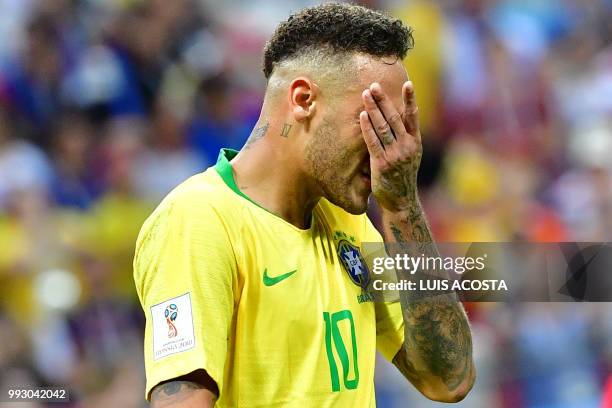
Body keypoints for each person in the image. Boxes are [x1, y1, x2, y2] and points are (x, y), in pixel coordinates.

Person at [133, 3, 475, 407]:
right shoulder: (198, 221)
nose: (391, 151)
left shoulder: (351, 224)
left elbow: (449, 379)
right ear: (302, 99)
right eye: (376, 124)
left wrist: (403, 208)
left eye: (397, 130)